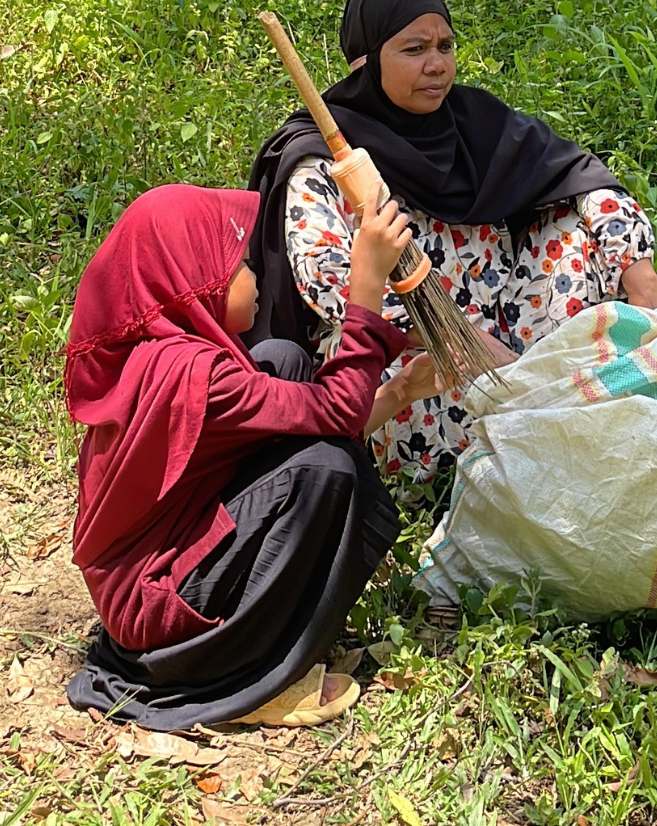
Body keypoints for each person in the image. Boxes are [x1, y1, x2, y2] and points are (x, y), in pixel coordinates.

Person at [246, 0, 657, 494]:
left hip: (507, 332)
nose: (437, 65)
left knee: (576, 225)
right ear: (366, 61)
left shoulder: (475, 123)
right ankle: (496, 450)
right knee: (374, 354)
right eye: (414, 49)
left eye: (445, 46)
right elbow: (329, 280)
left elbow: (581, 176)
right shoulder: (321, 155)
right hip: (414, 364)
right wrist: (459, 342)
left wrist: (642, 278)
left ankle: (561, 408)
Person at [62, 183, 451, 730]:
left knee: (281, 360)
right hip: (154, 607)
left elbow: (320, 417)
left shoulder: (171, 352)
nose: (256, 277)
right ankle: (248, 676)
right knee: (324, 471)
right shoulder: (196, 379)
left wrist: (399, 391)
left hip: (158, 571)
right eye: (241, 266)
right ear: (195, 283)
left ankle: (255, 640)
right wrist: (366, 284)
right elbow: (336, 415)